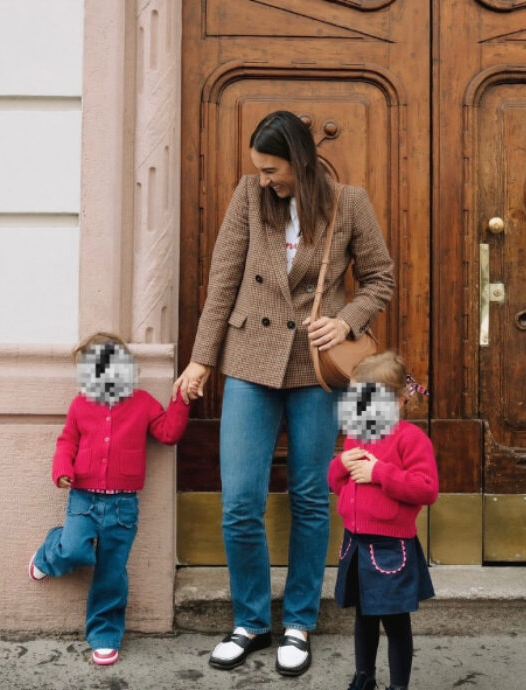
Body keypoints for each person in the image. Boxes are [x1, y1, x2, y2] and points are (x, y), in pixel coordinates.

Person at [173, 110, 395, 676]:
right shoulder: (250, 197)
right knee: (240, 500)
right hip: (248, 360)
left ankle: (298, 621)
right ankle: (249, 620)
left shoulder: (351, 203)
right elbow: (223, 278)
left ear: (297, 160)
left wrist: (346, 321)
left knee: (310, 498)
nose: (265, 178)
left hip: (313, 370)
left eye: (272, 169)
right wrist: (202, 359)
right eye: (260, 170)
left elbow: (380, 280)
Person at [28, 332, 190, 666]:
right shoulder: (80, 405)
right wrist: (62, 468)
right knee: (74, 549)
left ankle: (104, 633)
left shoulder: (143, 403)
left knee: (111, 572)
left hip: (123, 506)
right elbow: (66, 441)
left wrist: (180, 399)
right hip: (83, 498)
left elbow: (168, 433)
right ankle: (49, 554)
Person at [328, 351, 439, 690]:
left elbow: (426, 488)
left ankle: (398, 685)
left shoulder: (411, 439)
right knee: (363, 617)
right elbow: (334, 483)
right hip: (356, 544)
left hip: (391, 547)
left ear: (401, 401)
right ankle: (364, 677)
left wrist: (379, 472)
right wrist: (341, 463)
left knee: (394, 622)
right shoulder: (357, 435)